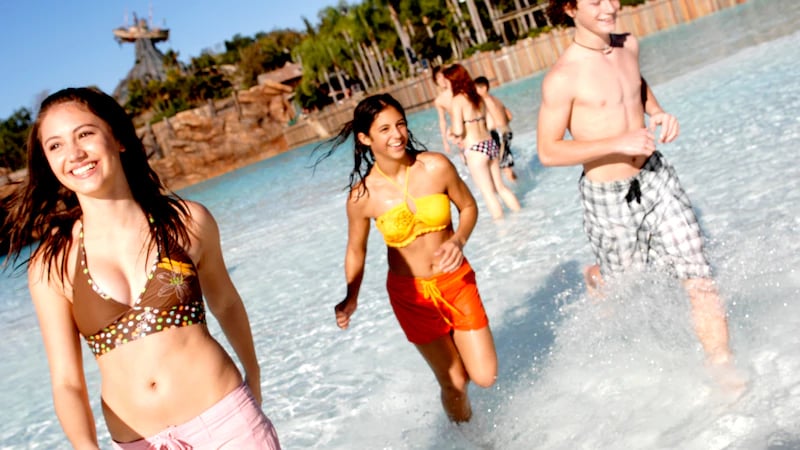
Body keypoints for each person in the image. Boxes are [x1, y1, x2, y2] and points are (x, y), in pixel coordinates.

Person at [3, 87, 281, 449]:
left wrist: (253, 373)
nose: (73, 153)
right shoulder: (51, 266)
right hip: (140, 442)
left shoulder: (187, 223)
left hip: (227, 422)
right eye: (55, 145)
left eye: (84, 133)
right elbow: (67, 382)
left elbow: (225, 303)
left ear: (117, 138)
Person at [537, 0, 736, 373]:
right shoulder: (562, 77)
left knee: (697, 273)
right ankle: (598, 278)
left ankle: (723, 369)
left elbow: (635, 85)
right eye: (594, 1)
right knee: (630, 290)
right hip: (607, 198)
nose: (609, 6)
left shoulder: (629, 44)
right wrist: (617, 143)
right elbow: (548, 151)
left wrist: (656, 111)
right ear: (569, 8)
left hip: (656, 178)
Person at [317, 93, 497, 423]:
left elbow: (468, 207)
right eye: (384, 129)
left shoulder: (435, 166)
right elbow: (356, 250)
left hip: (455, 280)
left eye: (400, 124)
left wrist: (459, 239)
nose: (397, 135)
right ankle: (472, 440)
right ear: (365, 138)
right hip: (411, 295)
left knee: (484, 376)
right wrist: (350, 297)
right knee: (455, 381)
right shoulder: (362, 196)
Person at [443, 64, 521, 220]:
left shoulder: (457, 100)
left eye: (447, 81)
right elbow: (491, 124)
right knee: (501, 187)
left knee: (488, 194)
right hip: (490, 144)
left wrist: (450, 132)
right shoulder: (478, 97)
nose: (446, 85)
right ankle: (521, 215)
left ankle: (503, 230)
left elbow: (458, 130)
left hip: (475, 149)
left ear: (454, 81)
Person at [474, 76, 518, 184]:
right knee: (504, 162)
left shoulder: (484, 101)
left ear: (484, 88)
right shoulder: (496, 99)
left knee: (503, 165)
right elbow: (510, 116)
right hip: (507, 131)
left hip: (498, 133)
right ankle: (517, 182)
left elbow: (486, 121)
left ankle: (515, 187)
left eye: (476, 89)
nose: (475, 92)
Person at [432, 65, 456, 155]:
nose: (442, 79)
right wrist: (445, 142)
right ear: (436, 81)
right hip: (456, 130)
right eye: (438, 77)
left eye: (443, 75)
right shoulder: (439, 100)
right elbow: (442, 120)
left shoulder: (459, 90)